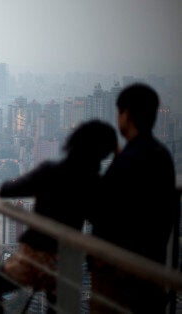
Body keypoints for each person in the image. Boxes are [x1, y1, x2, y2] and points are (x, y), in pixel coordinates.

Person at [0, 119, 118, 313]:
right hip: (65, 260)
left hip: (35, 255)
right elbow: (102, 222)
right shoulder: (93, 183)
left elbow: (8, 189)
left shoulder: (51, 171)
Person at [87, 83, 177, 313]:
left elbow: (100, 209)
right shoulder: (162, 155)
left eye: (119, 113)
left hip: (119, 276)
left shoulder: (128, 160)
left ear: (125, 114)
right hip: (151, 270)